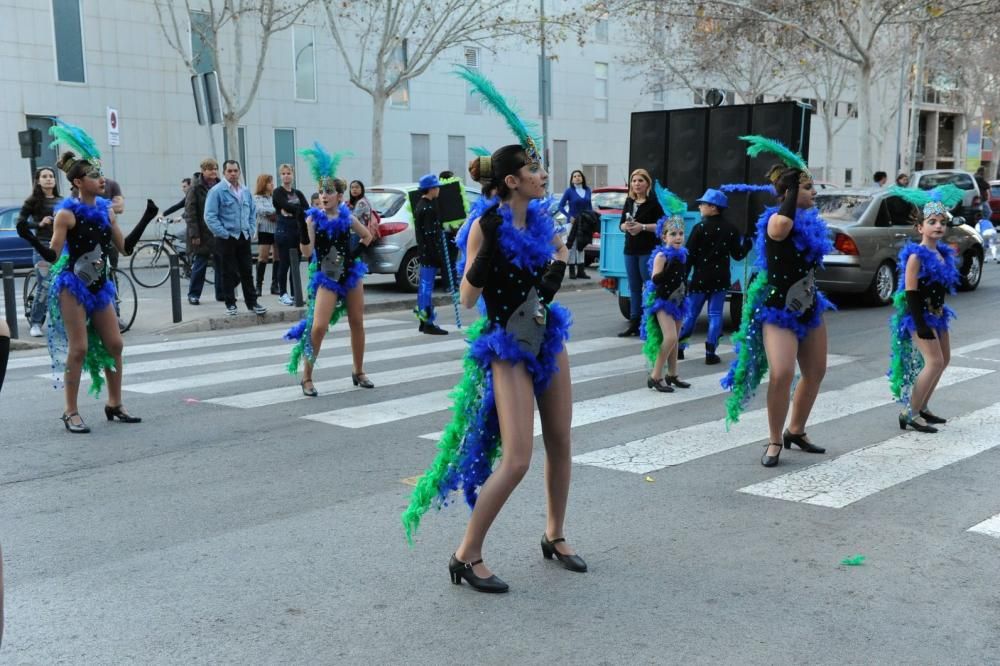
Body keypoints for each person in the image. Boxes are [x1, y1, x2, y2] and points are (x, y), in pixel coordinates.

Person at [403, 66, 584, 594]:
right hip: (506, 343)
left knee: (561, 440)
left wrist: (554, 274)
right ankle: (466, 553)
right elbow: (465, 298)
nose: (543, 173)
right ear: (512, 180)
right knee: (519, 458)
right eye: (534, 168)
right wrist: (492, 245)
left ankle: (555, 534)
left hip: (546, 334)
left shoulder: (542, 221)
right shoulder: (486, 223)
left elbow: (543, 288)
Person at [15, 121, 158, 433]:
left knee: (115, 344)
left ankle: (114, 403)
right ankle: (70, 410)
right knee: (78, 348)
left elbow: (125, 247)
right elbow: (53, 256)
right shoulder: (67, 215)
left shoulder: (107, 212)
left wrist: (147, 217)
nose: (101, 179)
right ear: (79, 182)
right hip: (72, 286)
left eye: (100, 174)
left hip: (100, 285)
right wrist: (31, 238)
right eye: (94, 176)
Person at [722, 136, 835, 467]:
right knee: (782, 372)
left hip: (809, 306)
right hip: (777, 308)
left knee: (815, 372)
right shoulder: (774, 220)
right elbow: (783, 226)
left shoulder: (811, 222)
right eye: (808, 188)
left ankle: (795, 430)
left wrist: (797, 185)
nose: (814, 193)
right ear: (789, 194)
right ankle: (774, 440)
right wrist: (790, 187)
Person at [285, 144, 373, 395]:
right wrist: (303, 229)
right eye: (321, 191)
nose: (324, 196)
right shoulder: (313, 218)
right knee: (319, 326)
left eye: (329, 192)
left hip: (351, 274)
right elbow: (306, 252)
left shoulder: (347, 216)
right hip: (327, 275)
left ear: (339, 196)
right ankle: (307, 377)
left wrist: (353, 255)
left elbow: (367, 237)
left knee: (357, 322)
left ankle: (358, 371)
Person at [888, 184, 964, 433]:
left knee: (944, 360)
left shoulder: (943, 253)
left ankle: (923, 406)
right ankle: (909, 412)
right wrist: (920, 324)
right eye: (932, 221)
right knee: (933, 362)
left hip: (939, 316)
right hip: (918, 316)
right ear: (920, 227)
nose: (938, 226)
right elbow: (910, 291)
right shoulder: (916, 256)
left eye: (942, 221)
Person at [678, 188, 752, 364]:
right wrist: (747, 245)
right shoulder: (731, 229)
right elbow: (738, 255)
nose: (700, 207)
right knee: (716, 314)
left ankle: (679, 348)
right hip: (721, 278)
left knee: (691, 314)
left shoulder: (699, 228)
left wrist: (683, 278)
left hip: (700, 278)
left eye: (703, 204)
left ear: (713, 207)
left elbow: (689, 257)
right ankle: (711, 352)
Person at [641, 185, 692, 393]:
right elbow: (655, 278)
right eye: (673, 234)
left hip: (679, 299)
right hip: (662, 301)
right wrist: (669, 270)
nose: (678, 237)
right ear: (664, 237)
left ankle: (672, 374)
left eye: (680, 233)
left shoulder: (683, 254)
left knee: (676, 339)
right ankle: (655, 375)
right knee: (669, 337)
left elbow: (682, 277)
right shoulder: (662, 256)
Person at [204, 160, 267, 316]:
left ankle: (252, 303)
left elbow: (252, 211)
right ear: (224, 173)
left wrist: (251, 229)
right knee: (227, 272)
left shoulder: (245, 191)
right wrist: (223, 233)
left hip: (243, 236)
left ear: (239, 172)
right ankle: (230, 304)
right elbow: (210, 216)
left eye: (235, 171)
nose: (233, 174)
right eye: (229, 171)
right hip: (226, 237)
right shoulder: (217, 191)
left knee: (247, 271)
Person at [618, 168, 664, 337]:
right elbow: (621, 224)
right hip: (630, 249)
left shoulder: (654, 203)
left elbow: (662, 225)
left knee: (649, 285)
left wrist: (642, 227)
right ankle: (634, 322)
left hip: (647, 249)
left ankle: (651, 321)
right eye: (634, 181)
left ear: (647, 184)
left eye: (640, 181)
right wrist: (627, 227)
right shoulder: (629, 201)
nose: (636, 184)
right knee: (634, 287)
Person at [18, 167, 61, 337]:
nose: (49, 179)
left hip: (61, 247)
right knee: (44, 285)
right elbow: (20, 223)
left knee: (62, 286)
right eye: (44, 176)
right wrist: (39, 224)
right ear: (38, 180)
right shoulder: (33, 201)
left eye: (51, 176)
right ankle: (36, 322)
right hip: (41, 246)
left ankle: (60, 321)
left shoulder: (62, 200)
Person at [412, 173, 449, 335]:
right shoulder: (427, 208)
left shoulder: (421, 204)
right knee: (426, 288)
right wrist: (438, 256)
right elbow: (430, 235)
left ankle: (423, 320)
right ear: (431, 189)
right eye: (437, 188)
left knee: (424, 287)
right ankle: (427, 322)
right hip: (429, 253)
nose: (438, 191)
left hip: (424, 252)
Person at [185, 159, 223, 305]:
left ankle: (221, 293)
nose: (213, 171)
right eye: (209, 169)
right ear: (203, 170)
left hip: (217, 232)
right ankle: (194, 294)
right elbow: (190, 213)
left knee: (220, 263)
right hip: (201, 233)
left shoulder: (221, 186)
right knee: (200, 265)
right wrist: (194, 235)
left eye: (215, 169)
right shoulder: (195, 188)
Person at [272, 164, 309, 306]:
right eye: (283, 173)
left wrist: (294, 211)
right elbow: (284, 205)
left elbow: (306, 209)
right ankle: (283, 293)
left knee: (296, 264)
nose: (286, 176)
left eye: (288, 173)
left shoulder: (297, 193)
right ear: (280, 176)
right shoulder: (278, 192)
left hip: (297, 231)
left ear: (293, 175)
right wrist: (294, 210)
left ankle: (295, 293)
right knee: (285, 263)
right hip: (284, 231)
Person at [558, 169, 594, 279]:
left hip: (584, 222)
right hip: (572, 223)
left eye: (579, 176)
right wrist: (569, 216)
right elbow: (560, 206)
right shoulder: (569, 191)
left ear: (582, 178)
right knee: (572, 246)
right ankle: (572, 271)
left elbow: (589, 207)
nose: (577, 177)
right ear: (572, 179)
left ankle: (581, 271)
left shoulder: (588, 190)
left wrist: (591, 218)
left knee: (581, 245)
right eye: (574, 176)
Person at [253, 173, 278, 298]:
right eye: (269, 182)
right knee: (263, 257)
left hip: (277, 229)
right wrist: (274, 212)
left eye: (272, 182)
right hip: (264, 229)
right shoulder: (257, 198)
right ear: (263, 184)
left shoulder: (275, 197)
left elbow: (281, 209)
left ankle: (275, 285)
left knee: (277, 257)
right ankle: (258, 286)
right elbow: (259, 210)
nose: (272, 184)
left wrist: (273, 213)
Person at [348, 179, 380, 246]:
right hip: (359, 232)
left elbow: (353, 218)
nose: (354, 189)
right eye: (352, 187)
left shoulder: (361, 203)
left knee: (355, 254)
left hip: (358, 233)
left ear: (362, 189)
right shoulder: (359, 201)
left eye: (357, 187)